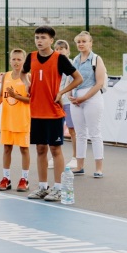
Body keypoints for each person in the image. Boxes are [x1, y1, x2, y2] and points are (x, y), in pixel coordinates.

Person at [23, 27, 81, 202]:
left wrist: (62, 92)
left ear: (51, 41)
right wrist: (27, 83)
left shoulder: (59, 58)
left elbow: (78, 78)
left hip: (53, 112)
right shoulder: (31, 57)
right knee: (40, 149)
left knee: (55, 149)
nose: (39, 40)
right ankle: (42, 187)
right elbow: (23, 73)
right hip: (36, 111)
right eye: (37, 37)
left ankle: (58, 188)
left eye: (43, 38)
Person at [68, 31, 108, 178]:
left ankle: (99, 168)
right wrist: (69, 95)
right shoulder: (74, 61)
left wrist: (84, 97)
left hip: (92, 98)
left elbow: (99, 83)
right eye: (78, 42)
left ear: (90, 43)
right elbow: (69, 79)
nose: (81, 44)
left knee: (95, 133)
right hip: (76, 99)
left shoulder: (96, 59)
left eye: (84, 41)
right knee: (80, 134)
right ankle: (79, 166)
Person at [0, 48, 31, 193]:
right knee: (7, 148)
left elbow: (31, 100)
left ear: (24, 61)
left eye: (19, 59)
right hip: (7, 119)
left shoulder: (28, 77)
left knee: (24, 149)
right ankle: (6, 178)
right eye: (14, 59)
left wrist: (17, 96)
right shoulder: (6, 76)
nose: (16, 62)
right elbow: (2, 94)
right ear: (10, 61)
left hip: (22, 120)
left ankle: (24, 178)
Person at [53, 39, 76, 170]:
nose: (60, 50)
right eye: (57, 48)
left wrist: (64, 94)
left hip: (67, 101)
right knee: (56, 130)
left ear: (67, 50)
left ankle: (75, 157)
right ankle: (55, 156)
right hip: (55, 101)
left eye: (62, 48)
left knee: (72, 129)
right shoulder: (52, 64)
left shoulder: (71, 64)